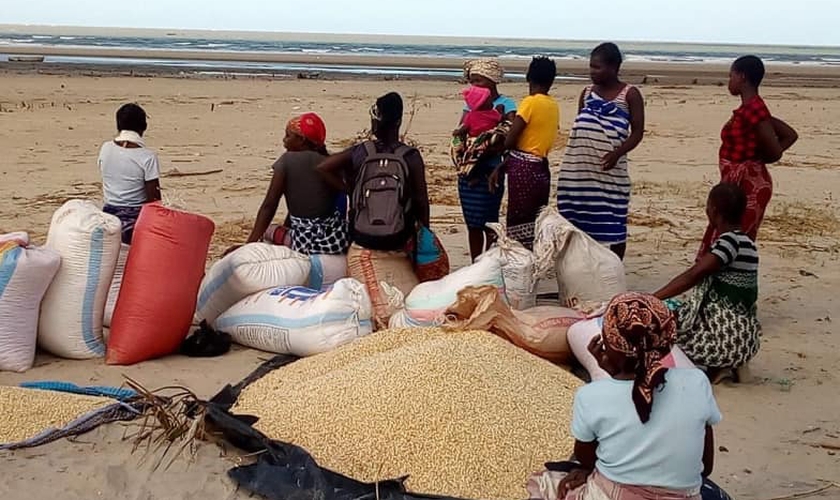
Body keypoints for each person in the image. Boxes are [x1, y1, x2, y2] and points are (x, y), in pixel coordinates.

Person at [529, 293, 721, 500]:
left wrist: (613, 373)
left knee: (545, 484)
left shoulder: (593, 395)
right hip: (684, 496)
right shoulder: (696, 382)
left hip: (614, 495)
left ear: (607, 343)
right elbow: (705, 466)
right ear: (668, 340)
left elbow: (586, 458)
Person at [317, 92, 430, 327]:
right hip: (398, 238)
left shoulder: (361, 152)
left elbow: (323, 168)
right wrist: (423, 235)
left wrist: (349, 189)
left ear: (374, 120)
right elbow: (421, 201)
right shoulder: (410, 157)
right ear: (399, 121)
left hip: (363, 238)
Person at [655, 183, 761, 381]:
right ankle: (730, 365)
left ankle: (718, 366)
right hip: (745, 338)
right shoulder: (748, 243)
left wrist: (653, 298)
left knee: (661, 322)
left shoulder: (729, 243)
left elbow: (694, 275)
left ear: (713, 210)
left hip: (725, 340)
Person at [697, 55, 798, 258]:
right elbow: (789, 134)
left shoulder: (753, 110)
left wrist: (755, 162)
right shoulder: (751, 110)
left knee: (731, 242)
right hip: (740, 183)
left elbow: (777, 150)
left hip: (750, 186)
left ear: (741, 76)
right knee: (725, 238)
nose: (729, 81)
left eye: (731, 75)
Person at [556, 43, 645, 260]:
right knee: (577, 222)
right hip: (580, 172)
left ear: (614, 67)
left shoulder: (629, 94)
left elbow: (637, 132)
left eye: (597, 67)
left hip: (610, 173)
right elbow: (580, 125)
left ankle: (614, 268)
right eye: (591, 67)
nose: (592, 72)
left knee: (613, 223)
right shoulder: (586, 93)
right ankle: (581, 269)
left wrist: (616, 154)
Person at [227, 112, 348, 257]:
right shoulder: (330, 163)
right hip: (336, 240)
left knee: (270, 230)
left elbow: (269, 205)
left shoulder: (287, 161)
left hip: (305, 243)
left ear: (301, 140)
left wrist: (249, 246)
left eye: (287, 136)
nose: (284, 141)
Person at [493, 55, 559, 250]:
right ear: (551, 81)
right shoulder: (552, 105)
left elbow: (512, 139)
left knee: (517, 219)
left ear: (528, 77)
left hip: (523, 168)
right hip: (541, 166)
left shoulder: (530, 103)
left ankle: (518, 261)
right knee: (535, 219)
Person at [457, 58, 517, 261]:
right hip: (470, 171)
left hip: (493, 171)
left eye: (479, 81)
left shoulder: (506, 105)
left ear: (492, 81)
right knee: (472, 223)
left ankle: (489, 261)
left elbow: (509, 138)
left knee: (490, 222)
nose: (474, 85)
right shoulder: (471, 104)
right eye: (472, 81)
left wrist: (491, 153)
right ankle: (475, 262)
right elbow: (461, 134)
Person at [99, 103, 161, 244]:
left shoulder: (105, 148)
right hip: (135, 217)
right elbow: (154, 200)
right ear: (143, 127)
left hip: (108, 212)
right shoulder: (147, 156)